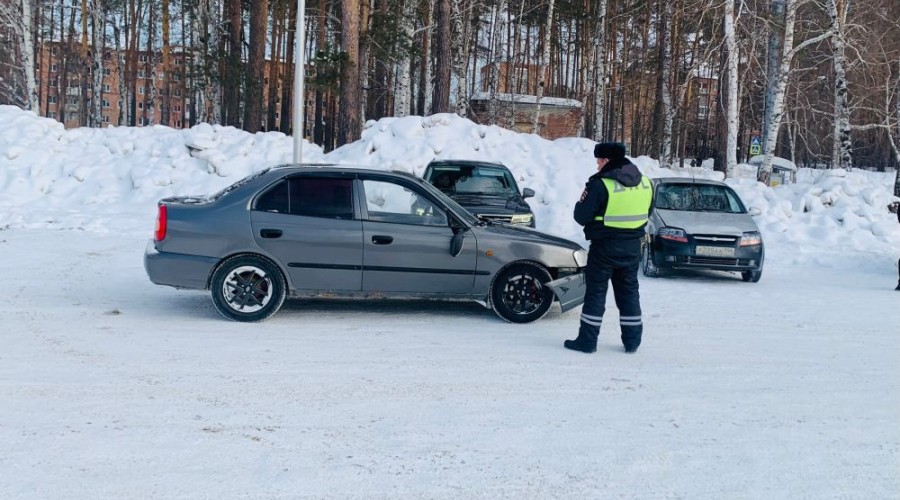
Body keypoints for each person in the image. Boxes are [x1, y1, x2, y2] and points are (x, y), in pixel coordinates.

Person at [565, 142, 654, 354]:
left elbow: (581, 216)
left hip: (604, 247)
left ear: (607, 160)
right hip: (633, 247)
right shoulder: (646, 183)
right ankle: (632, 342)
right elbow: (647, 212)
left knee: (596, 294)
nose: (597, 166)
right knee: (629, 294)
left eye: (599, 161)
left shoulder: (600, 184)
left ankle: (587, 342)